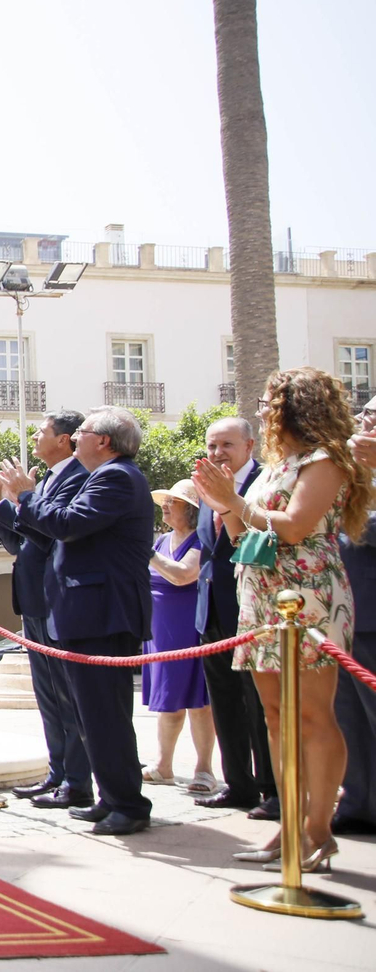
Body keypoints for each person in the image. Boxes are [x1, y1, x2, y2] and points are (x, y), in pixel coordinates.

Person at [194, 367, 373, 872]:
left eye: (269, 402)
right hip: (262, 593)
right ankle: (289, 824)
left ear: (295, 406)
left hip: (309, 595)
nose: (262, 411)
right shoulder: (278, 465)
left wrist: (234, 502)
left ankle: (318, 830)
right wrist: (222, 503)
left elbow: (294, 528)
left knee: (313, 715)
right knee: (275, 716)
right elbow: (239, 538)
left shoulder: (325, 460)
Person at [0, 406, 155, 836]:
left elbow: (65, 524)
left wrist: (26, 496)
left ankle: (129, 804)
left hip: (103, 612)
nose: (75, 439)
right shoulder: (105, 475)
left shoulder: (117, 477)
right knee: (94, 714)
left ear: (102, 441)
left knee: (105, 713)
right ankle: (114, 798)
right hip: (88, 613)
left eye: (81, 433)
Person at [0, 410, 94, 809]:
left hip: (54, 599)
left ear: (65, 439)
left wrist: (12, 501)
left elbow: (45, 535)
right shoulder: (47, 481)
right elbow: (20, 544)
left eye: (42, 431)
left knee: (67, 696)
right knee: (49, 696)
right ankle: (57, 773)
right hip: (35, 600)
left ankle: (76, 781)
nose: (36, 437)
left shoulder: (77, 477)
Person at [191, 416, 276, 818]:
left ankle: (272, 789)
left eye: (226, 445)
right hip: (212, 614)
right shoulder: (205, 486)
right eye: (211, 445)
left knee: (259, 705)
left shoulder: (264, 483)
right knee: (224, 703)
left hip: (253, 609)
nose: (217, 453)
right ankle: (238, 784)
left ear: (249, 446)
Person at [141, 479, 217, 792]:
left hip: (188, 628)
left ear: (191, 509)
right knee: (168, 700)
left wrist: (145, 552)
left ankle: (204, 770)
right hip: (159, 631)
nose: (167, 507)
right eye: (166, 503)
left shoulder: (201, 540)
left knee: (198, 700)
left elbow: (183, 575)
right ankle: (163, 765)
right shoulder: (161, 541)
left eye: (175, 503)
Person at [332, 393, 376, 835]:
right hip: (343, 612)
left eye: (371, 418)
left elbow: (365, 526)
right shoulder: (350, 470)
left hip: (372, 614)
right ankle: (359, 803)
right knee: (349, 718)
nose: (362, 424)